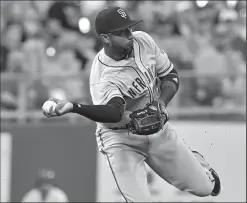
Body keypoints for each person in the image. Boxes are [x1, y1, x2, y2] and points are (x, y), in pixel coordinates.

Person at [42, 6, 221, 202]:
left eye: (129, 28)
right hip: (121, 139)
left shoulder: (142, 40)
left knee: (206, 188)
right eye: (121, 31)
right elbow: (114, 113)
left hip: (157, 128)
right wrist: (73, 107)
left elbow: (170, 75)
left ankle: (196, 160)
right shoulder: (104, 75)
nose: (129, 34)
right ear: (105, 38)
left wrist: (161, 103)